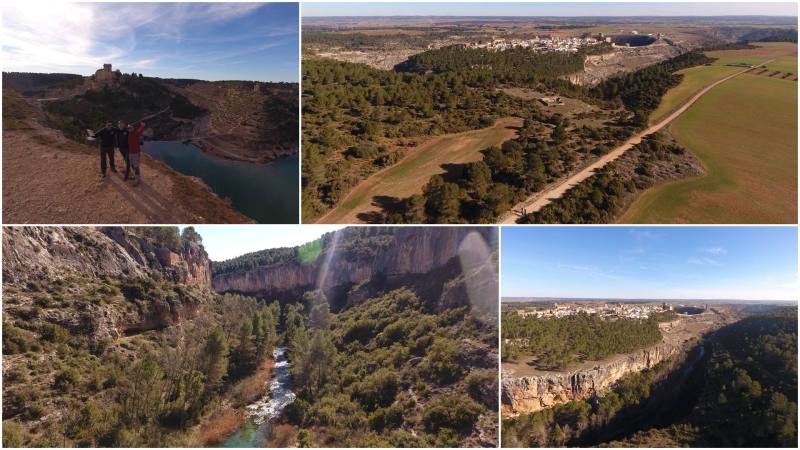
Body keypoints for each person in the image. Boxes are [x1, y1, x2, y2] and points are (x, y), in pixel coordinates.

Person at [127, 122, 146, 186]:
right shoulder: (128, 134)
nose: (129, 129)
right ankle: (136, 176)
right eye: (128, 128)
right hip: (130, 152)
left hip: (136, 152)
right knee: (132, 164)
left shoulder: (136, 133)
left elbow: (141, 129)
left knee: (136, 165)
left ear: (133, 128)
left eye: (130, 128)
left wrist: (142, 125)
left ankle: (137, 179)